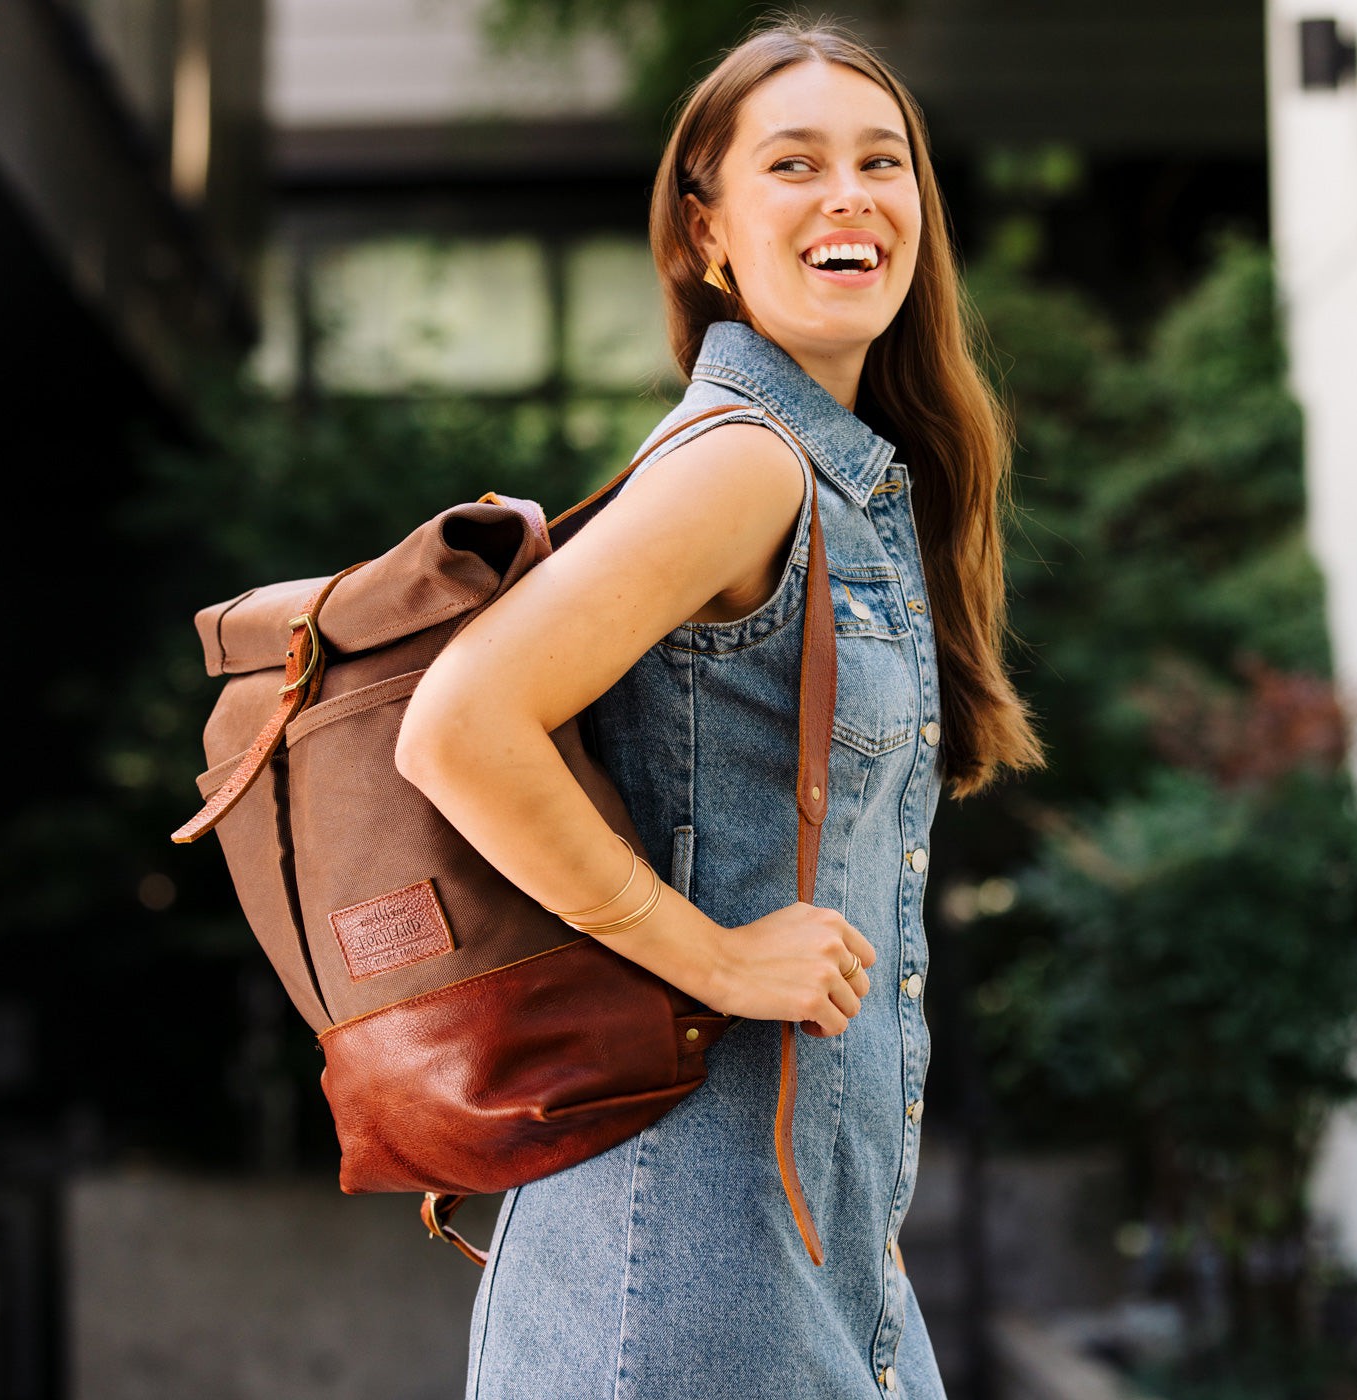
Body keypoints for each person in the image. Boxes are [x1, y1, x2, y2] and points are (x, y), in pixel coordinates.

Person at [395, 18, 1043, 1399]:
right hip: (681, 1256)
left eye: (883, 162)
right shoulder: (740, 467)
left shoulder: (848, 480)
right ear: (706, 232)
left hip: (806, 1241)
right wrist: (716, 958)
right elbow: (457, 726)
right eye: (794, 164)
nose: (850, 195)